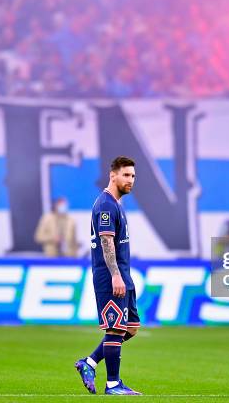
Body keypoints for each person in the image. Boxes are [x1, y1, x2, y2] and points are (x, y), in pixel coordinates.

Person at [74, 156, 141, 395]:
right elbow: (106, 241)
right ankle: (113, 384)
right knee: (114, 329)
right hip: (111, 277)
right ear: (113, 175)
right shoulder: (105, 204)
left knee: (130, 327)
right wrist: (115, 275)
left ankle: (89, 363)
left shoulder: (115, 204)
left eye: (133, 175)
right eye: (126, 175)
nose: (130, 180)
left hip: (124, 275)